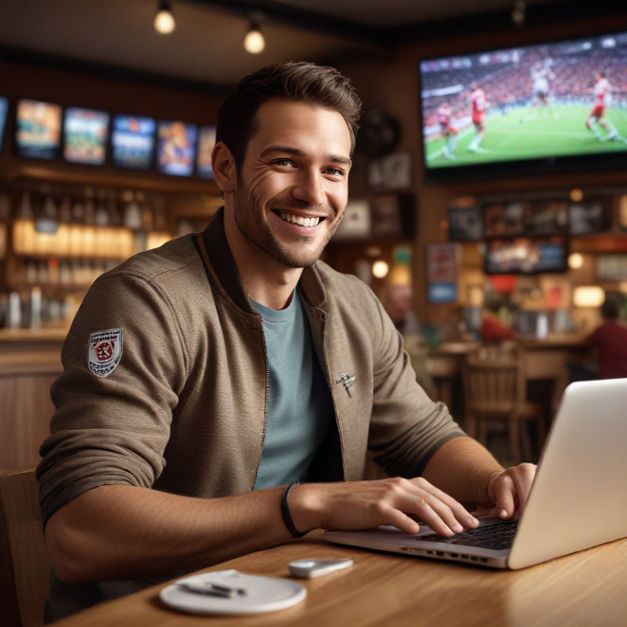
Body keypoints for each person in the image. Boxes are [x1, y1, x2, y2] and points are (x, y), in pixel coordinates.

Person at [37, 62, 536, 621]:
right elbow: (79, 530)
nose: (312, 192)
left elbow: (425, 438)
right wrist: (309, 504)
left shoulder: (352, 303)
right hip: (161, 610)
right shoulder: (145, 300)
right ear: (225, 168)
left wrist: (498, 483)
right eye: (284, 162)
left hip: (307, 595)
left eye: (333, 170)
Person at [585, 292, 627, 379]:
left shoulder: (602, 329)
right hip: (624, 378)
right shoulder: (624, 329)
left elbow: (586, 342)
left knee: (568, 366)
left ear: (602, 312)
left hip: (606, 375)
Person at [585, 71, 619, 142]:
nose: (595, 77)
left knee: (588, 121)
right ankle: (613, 132)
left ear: (600, 76)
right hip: (601, 104)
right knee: (599, 120)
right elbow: (608, 90)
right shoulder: (604, 83)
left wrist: (599, 103)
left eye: (597, 75)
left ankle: (598, 135)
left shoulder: (602, 83)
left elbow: (601, 93)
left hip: (599, 104)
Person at [468, 83, 487, 153]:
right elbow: (481, 107)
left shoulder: (471, 96)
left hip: (473, 115)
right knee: (482, 131)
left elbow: (470, 106)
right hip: (479, 115)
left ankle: (472, 145)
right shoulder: (480, 93)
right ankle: (474, 146)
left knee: (477, 132)